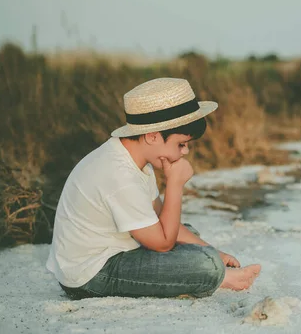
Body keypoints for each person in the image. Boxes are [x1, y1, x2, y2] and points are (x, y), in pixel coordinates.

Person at [46, 78, 261, 299]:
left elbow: (160, 216)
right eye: (181, 144)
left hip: (117, 251)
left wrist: (215, 250)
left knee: (190, 235)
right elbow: (163, 244)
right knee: (206, 264)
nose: (185, 152)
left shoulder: (133, 159)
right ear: (152, 136)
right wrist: (175, 184)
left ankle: (199, 268)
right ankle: (219, 278)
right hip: (91, 275)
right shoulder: (119, 174)